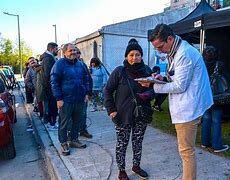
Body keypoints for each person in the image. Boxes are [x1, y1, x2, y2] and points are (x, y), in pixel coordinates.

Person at [144, 24, 213, 180]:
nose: (159, 51)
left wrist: (154, 86)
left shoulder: (184, 53)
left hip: (189, 108)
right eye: (156, 49)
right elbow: (178, 76)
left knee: (186, 151)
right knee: (186, 151)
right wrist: (164, 79)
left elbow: (180, 86)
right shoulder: (176, 50)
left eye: (160, 46)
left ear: (169, 39)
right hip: (188, 104)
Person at [104, 38, 153, 180]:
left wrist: (148, 93)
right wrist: (111, 110)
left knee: (138, 142)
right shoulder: (119, 72)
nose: (134, 58)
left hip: (141, 114)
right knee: (122, 144)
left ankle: (136, 166)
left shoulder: (147, 71)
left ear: (141, 56)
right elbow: (107, 90)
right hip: (122, 115)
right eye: (131, 55)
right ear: (126, 56)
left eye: (137, 55)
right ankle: (121, 170)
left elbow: (156, 90)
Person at [50, 43, 91, 156]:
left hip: (79, 99)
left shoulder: (80, 64)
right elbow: (54, 82)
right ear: (64, 52)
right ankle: (63, 143)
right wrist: (58, 98)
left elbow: (86, 79)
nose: (73, 52)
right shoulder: (59, 64)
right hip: (65, 100)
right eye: (70, 50)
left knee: (77, 121)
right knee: (63, 123)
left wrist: (86, 93)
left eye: (74, 50)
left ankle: (73, 140)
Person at [201, 46, 229, 153]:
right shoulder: (220, 65)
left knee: (206, 118)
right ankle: (217, 145)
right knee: (216, 120)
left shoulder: (201, 63)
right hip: (217, 97)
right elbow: (226, 79)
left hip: (204, 95)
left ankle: (205, 142)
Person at [40, 42, 59, 130]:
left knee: (52, 106)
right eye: (56, 49)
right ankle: (52, 124)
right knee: (52, 106)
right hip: (50, 87)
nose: (57, 50)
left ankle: (52, 122)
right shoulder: (48, 59)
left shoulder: (49, 57)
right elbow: (49, 74)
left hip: (50, 86)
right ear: (51, 49)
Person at [76, 47, 93, 139]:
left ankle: (82, 130)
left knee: (83, 113)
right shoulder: (63, 65)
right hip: (70, 96)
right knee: (72, 116)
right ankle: (71, 133)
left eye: (78, 52)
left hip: (83, 94)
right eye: (74, 51)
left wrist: (89, 92)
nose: (76, 54)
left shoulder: (82, 65)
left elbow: (88, 79)